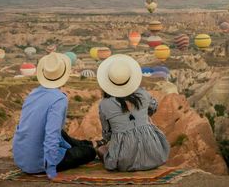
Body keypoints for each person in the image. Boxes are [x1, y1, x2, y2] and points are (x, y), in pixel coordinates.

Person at [13, 52, 96, 180]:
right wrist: (51, 169)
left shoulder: (33, 94)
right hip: (39, 163)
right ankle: (90, 146)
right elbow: (51, 134)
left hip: (22, 159)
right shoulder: (58, 99)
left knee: (63, 134)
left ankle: (87, 144)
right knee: (90, 153)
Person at [95, 54, 170, 171]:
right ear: (130, 78)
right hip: (155, 154)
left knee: (101, 149)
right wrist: (143, 117)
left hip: (125, 160)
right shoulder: (142, 94)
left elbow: (107, 134)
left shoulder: (104, 104)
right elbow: (154, 107)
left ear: (107, 82)